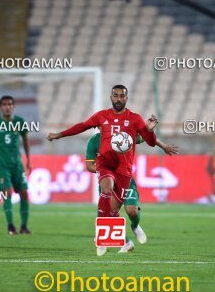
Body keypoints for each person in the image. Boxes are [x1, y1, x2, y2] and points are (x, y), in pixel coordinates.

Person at [47, 84, 159, 255]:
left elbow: (150, 142)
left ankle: (131, 230)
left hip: (124, 170)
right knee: (106, 189)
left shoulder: (135, 119)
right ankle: (102, 238)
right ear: (111, 97)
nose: (119, 98)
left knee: (116, 211)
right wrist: (59, 135)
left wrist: (150, 131)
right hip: (105, 164)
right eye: (116, 95)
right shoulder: (101, 116)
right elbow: (82, 126)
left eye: (122, 96)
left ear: (126, 98)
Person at [85, 133, 178, 252]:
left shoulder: (122, 136)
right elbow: (89, 166)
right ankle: (126, 242)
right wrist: (106, 169)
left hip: (125, 179)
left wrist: (163, 146)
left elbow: (146, 137)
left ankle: (135, 225)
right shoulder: (94, 141)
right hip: (107, 182)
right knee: (109, 214)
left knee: (132, 211)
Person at [0, 96, 32, 235]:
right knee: (7, 193)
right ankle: (11, 226)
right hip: (1, 164)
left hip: (17, 163)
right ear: (0, 107)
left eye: (10, 104)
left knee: (24, 193)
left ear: (13, 106)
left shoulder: (19, 122)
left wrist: (29, 159)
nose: (7, 107)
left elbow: (26, 140)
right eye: (4, 104)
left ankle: (24, 226)